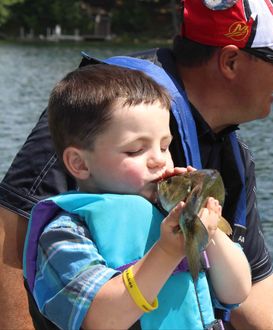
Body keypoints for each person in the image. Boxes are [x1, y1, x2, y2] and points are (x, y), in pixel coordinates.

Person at [1, 0, 273, 328]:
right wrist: (168, 252)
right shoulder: (105, 106)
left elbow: (248, 287)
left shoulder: (231, 159)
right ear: (230, 61)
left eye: (166, 146)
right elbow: (9, 233)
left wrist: (209, 233)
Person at [23, 63, 251, 330]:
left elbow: (236, 291)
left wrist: (205, 227)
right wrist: (167, 252)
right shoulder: (66, 234)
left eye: (165, 146)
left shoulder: (171, 216)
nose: (158, 160)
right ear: (80, 164)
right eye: (135, 150)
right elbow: (101, 319)